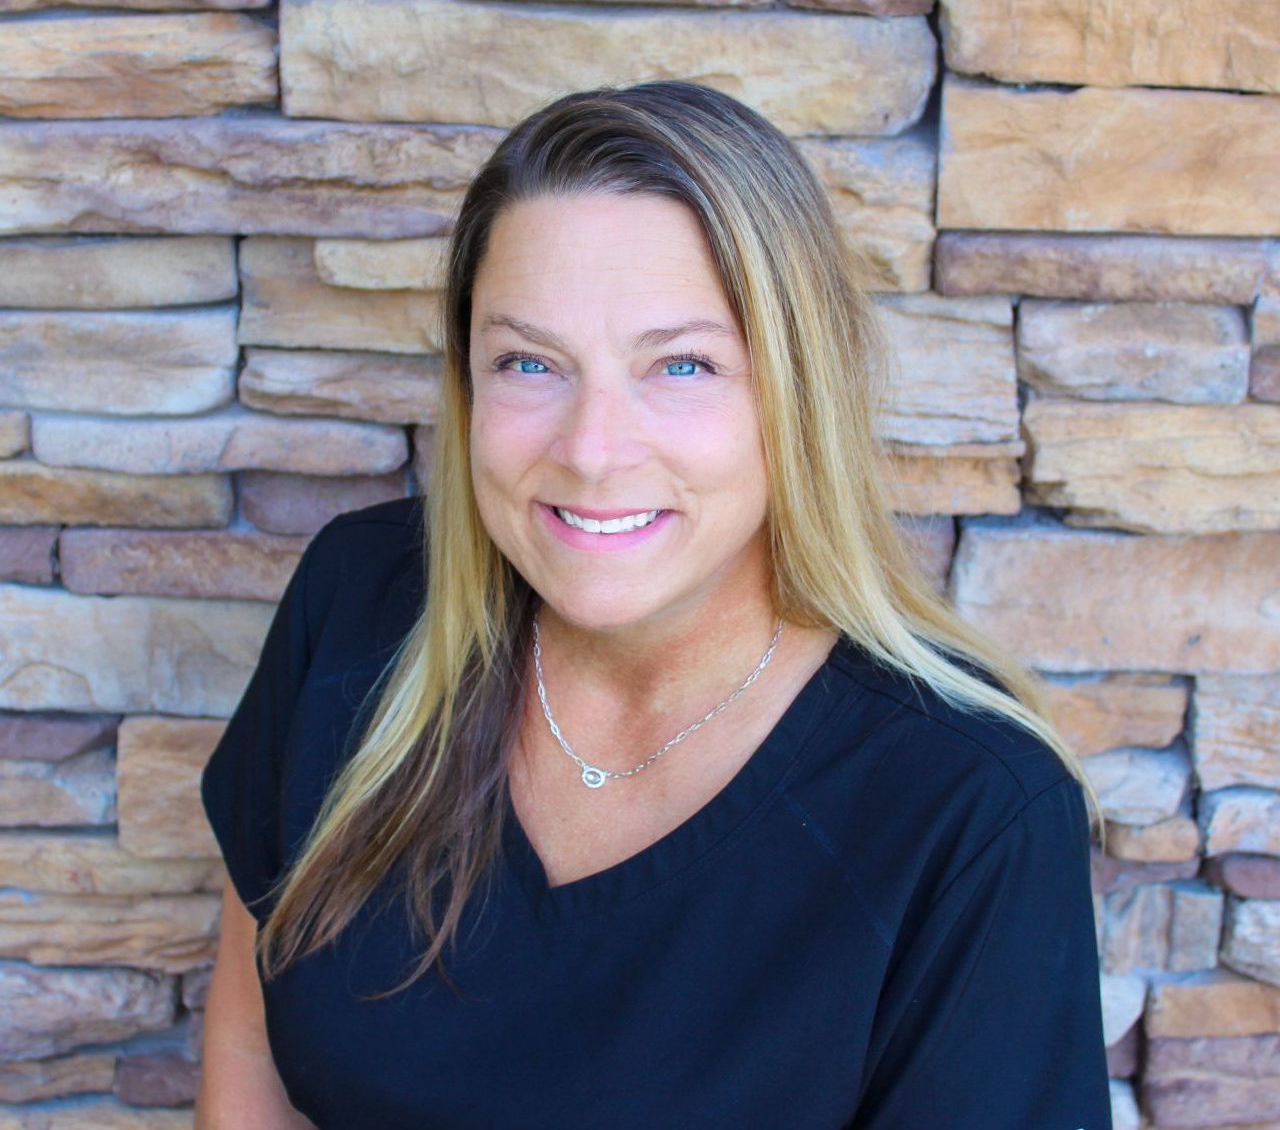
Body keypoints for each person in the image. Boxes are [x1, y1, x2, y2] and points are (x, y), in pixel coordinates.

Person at [196, 80, 1113, 1129]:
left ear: (794, 391)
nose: (590, 450)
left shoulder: (968, 805)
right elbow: (248, 1040)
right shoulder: (358, 605)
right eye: (528, 361)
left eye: (680, 363)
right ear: (465, 382)